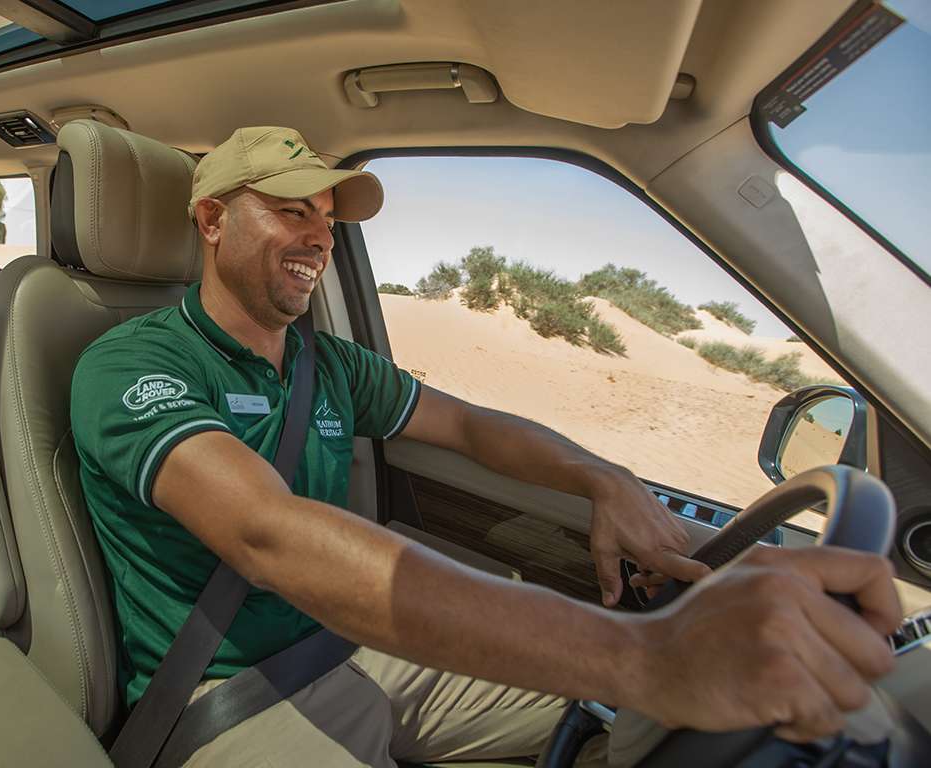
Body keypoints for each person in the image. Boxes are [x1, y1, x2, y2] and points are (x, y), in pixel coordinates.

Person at [70, 127, 899, 766]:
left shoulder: (330, 362)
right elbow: (266, 534)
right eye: (292, 211)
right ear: (211, 219)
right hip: (229, 692)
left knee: (645, 730)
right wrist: (640, 653)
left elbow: (469, 426)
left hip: (353, 642)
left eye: (327, 219)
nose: (320, 237)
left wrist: (601, 478)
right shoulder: (133, 365)